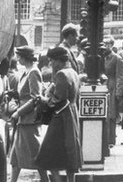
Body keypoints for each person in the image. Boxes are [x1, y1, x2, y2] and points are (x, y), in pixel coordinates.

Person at [32, 46, 81, 182]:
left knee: (47, 157)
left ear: (59, 60)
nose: (51, 63)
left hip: (61, 119)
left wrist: (42, 100)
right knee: (69, 155)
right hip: (72, 116)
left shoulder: (61, 74)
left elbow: (56, 101)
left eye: (52, 60)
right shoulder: (73, 72)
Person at [8, 46, 49, 182]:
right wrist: (15, 94)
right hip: (24, 120)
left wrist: (18, 113)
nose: (17, 59)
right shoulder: (27, 71)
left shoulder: (33, 72)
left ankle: (46, 180)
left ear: (25, 57)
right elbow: (26, 94)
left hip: (30, 120)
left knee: (37, 155)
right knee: (16, 156)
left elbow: (36, 98)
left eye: (19, 56)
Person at [102, 36, 123, 146]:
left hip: (112, 86)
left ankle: (111, 139)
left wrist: (118, 93)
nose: (105, 45)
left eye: (108, 43)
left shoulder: (117, 58)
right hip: (102, 86)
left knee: (111, 114)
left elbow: (120, 76)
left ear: (112, 45)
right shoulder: (101, 57)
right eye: (104, 43)